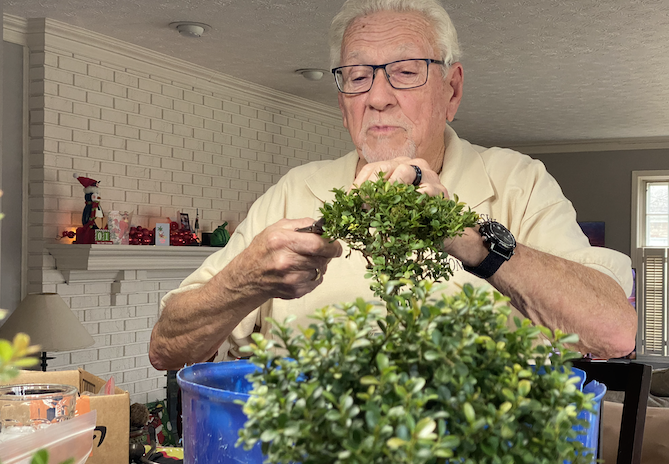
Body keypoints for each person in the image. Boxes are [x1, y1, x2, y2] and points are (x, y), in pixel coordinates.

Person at [149, 0, 637, 370]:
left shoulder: (517, 181)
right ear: (342, 102)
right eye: (357, 76)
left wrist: (466, 234)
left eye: (405, 73)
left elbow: (613, 331)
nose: (377, 97)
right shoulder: (294, 192)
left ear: (452, 89)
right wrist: (245, 279)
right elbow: (166, 347)